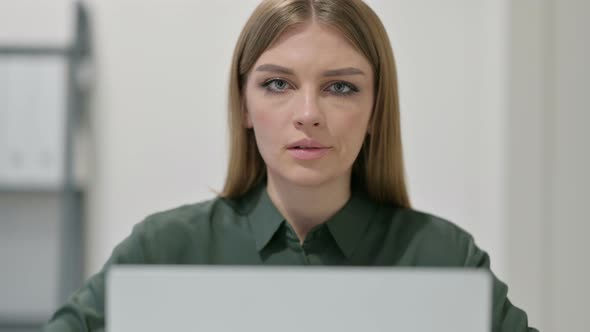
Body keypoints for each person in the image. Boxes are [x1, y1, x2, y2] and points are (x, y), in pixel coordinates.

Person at [44, 0, 538, 331]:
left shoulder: (444, 258)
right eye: (278, 84)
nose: (308, 115)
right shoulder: (163, 249)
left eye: (340, 87)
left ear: (375, 110)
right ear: (243, 105)